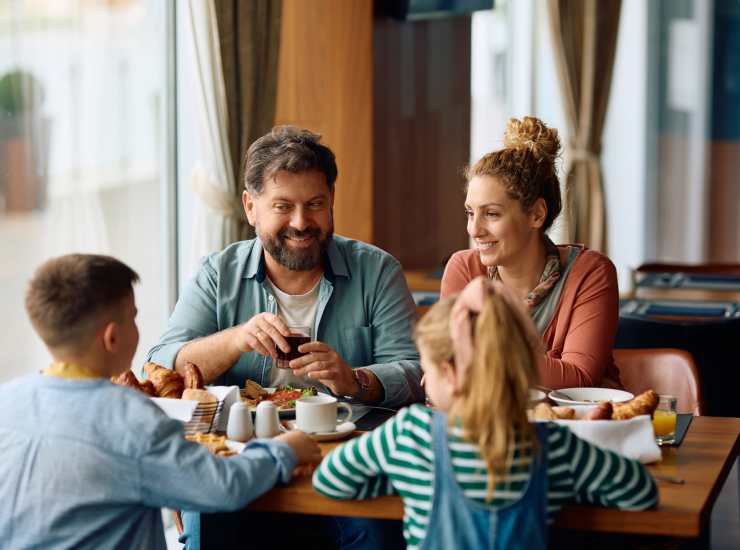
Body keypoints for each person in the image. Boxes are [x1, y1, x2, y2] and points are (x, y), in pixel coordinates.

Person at [0, 254, 321, 550]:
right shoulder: (130, 417)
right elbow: (222, 487)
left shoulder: (7, 402)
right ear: (112, 338)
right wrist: (287, 449)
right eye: (134, 318)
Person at [313, 277, 658, 550]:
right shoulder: (556, 447)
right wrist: (576, 486)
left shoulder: (409, 435)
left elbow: (329, 480)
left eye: (428, 369)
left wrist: (397, 476)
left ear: (450, 373)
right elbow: (641, 491)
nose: (422, 379)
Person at [148, 125, 423, 408]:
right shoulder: (217, 275)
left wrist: (355, 380)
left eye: (315, 204)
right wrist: (236, 340)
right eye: (283, 207)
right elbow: (161, 368)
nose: (301, 223)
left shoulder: (377, 271)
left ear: (332, 201)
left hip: (352, 442)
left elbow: (416, 374)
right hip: (244, 443)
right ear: (250, 207)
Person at [440, 116, 621, 389]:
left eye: (491, 214)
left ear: (536, 214)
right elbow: (450, 368)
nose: (474, 229)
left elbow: (578, 380)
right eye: (470, 213)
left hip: (576, 427)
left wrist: (478, 349)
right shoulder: (463, 269)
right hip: (489, 427)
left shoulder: (590, 273)